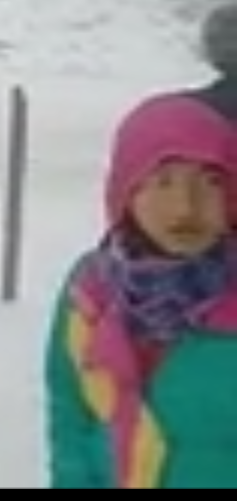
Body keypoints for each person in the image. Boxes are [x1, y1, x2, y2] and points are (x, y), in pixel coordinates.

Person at [43, 93, 237, 488]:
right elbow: (71, 418)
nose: (185, 206)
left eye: (210, 182)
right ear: (126, 192)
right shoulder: (90, 293)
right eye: (163, 182)